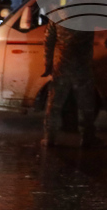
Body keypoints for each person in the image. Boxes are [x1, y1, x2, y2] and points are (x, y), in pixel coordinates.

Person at [42, 20, 98, 148]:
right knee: (86, 104)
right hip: (82, 66)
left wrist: (48, 65)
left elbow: (48, 41)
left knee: (55, 103)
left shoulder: (56, 15)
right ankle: (87, 137)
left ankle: (49, 138)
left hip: (61, 65)